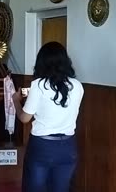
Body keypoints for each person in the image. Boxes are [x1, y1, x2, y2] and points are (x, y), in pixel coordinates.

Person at [12, 42, 84, 192]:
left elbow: (25, 118)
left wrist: (16, 101)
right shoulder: (77, 86)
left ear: (41, 62)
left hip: (42, 146)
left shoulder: (39, 85)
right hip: (68, 147)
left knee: (35, 188)